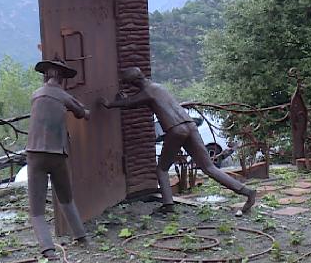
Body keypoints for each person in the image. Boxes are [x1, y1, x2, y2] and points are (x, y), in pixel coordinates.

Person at [102, 67, 256, 215]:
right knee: (209, 167)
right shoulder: (158, 87)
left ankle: (168, 205)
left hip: (176, 129)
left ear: (133, 83)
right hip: (190, 125)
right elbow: (134, 101)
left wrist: (109, 104)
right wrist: (124, 100)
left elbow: (129, 102)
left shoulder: (147, 92)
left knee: (161, 170)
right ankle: (247, 192)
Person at [26, 59, 92, 258]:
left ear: (45, 75)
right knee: (66, 198)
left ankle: (48, 249)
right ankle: (81, 237)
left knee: (37, 210)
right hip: (58, 153)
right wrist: (87, 110)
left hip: (34, 153)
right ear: (62, 78)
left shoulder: (35, 95)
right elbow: (83, 114)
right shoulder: (63, 96)